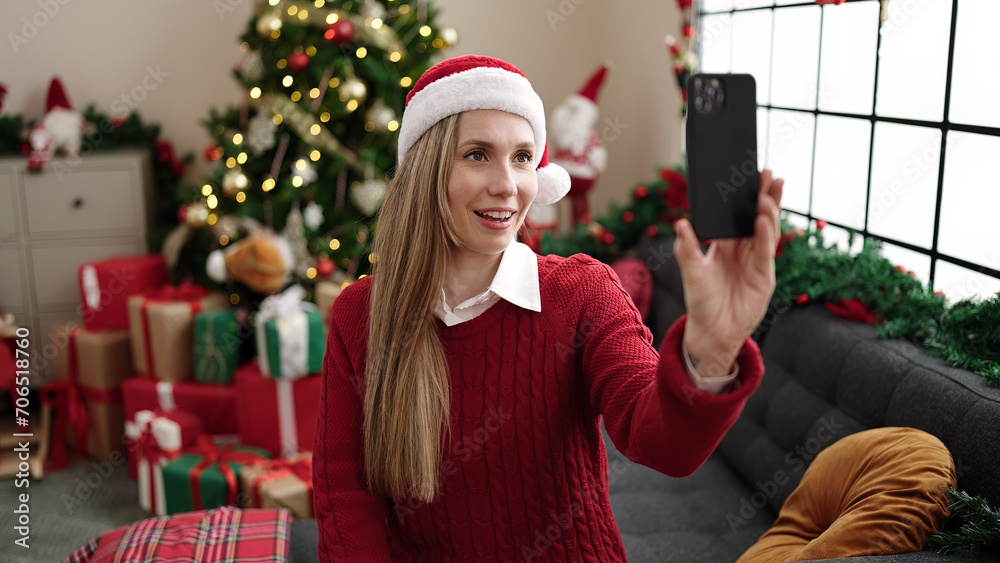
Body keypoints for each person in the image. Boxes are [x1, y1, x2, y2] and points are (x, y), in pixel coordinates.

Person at [313, 55, 785, 562]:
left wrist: (712, 350)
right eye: (477, 155)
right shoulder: (360, 314)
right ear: (427, 172)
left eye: (522, 158)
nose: (508, 185)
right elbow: (345, 494)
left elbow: (662, 444)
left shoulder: (582, 292)